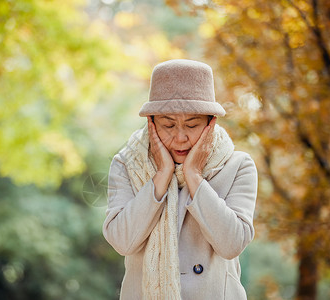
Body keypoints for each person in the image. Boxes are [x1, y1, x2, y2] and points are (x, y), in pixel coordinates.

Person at [102, 59, 258, 299]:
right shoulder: (127, 165)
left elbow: (231, 244)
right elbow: (123, 241)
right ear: (151, 122)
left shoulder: (238, 166)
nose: (180, 137)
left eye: (192, 125)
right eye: (168, 125)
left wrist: (193, 176)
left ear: (210, 124)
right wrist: (162, 176)